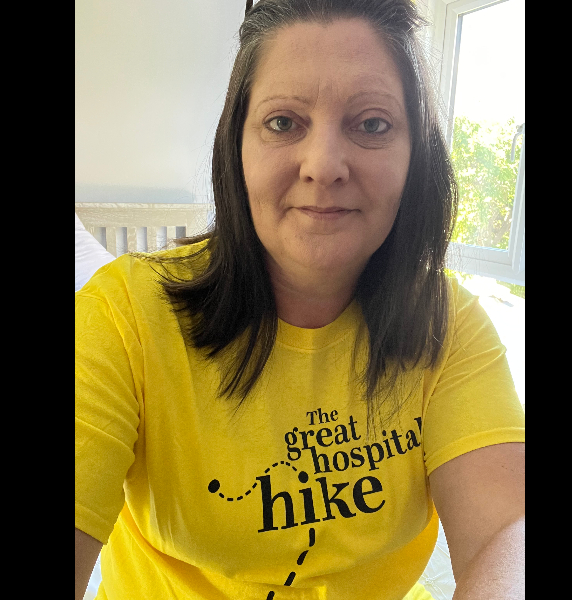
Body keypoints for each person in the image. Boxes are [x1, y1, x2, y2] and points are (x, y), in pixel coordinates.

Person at [75, 1, 525, 599]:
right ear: (236, 145)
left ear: (416, 154)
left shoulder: (451, 323)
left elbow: (506, 533)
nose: (324, 165)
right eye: (284, 122)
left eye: (372, 124)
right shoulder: (122, 314)